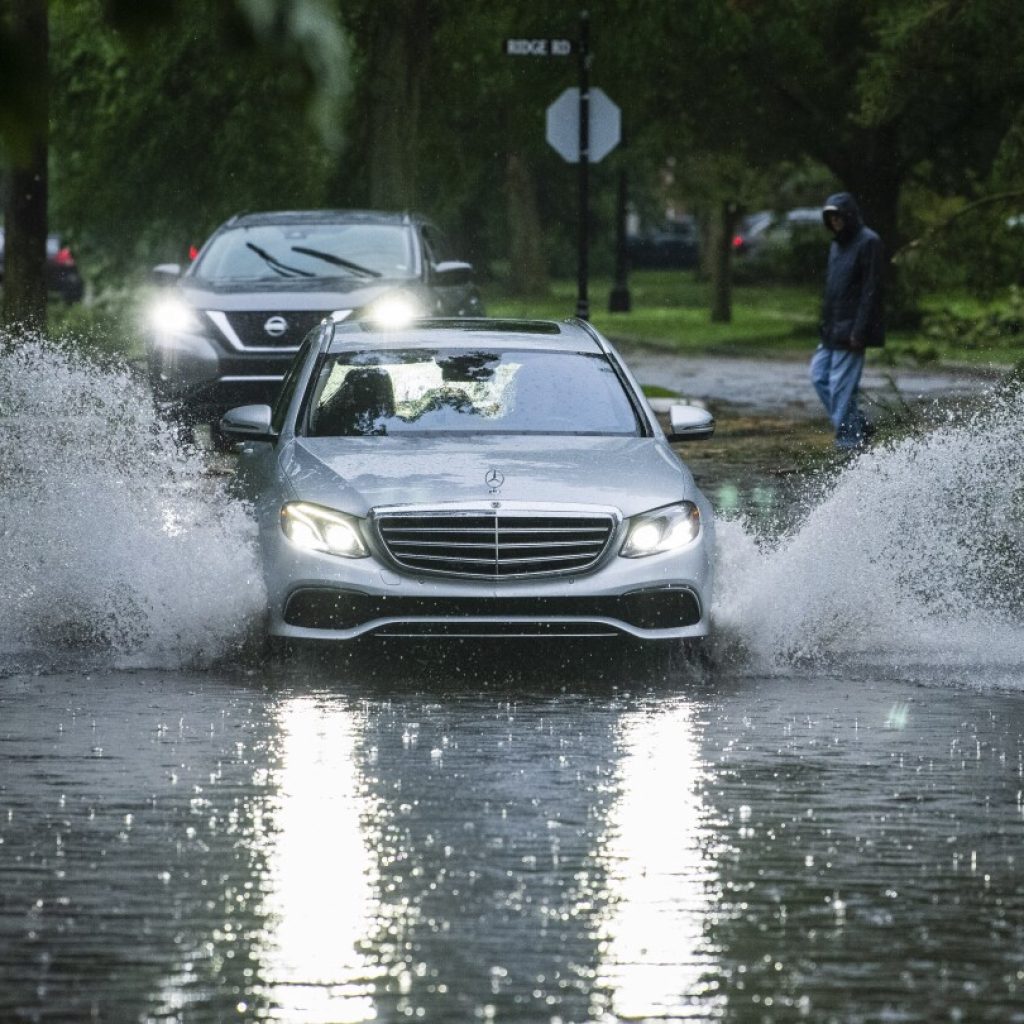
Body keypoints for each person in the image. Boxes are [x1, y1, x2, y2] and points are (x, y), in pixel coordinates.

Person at [810, 191, 885, 448]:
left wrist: (860, 331)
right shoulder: (836, 245)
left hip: (853, 330)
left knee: (841, 388)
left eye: (839, 217)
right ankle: (858, 426)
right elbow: (833, 290)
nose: (835, 222)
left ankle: (849, 441)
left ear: (849, 216)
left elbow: (871, 290)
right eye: (830, 218)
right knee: (818, 376)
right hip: (831, 328)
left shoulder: (869, 242)